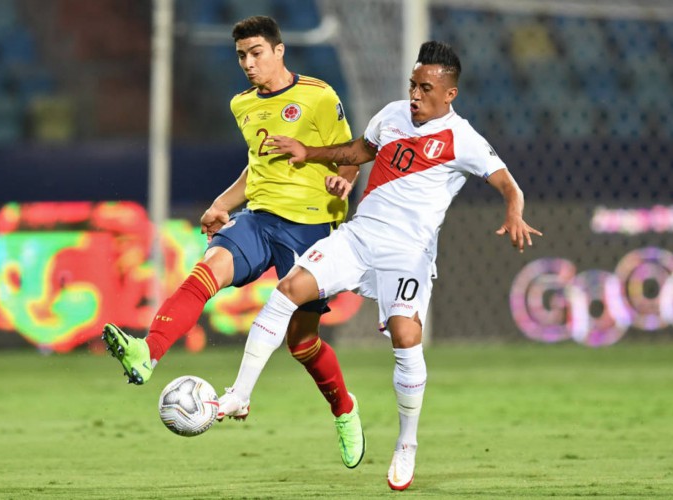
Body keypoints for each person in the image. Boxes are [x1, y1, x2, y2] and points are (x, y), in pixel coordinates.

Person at [216, 41, 542, 490]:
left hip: (407, 252)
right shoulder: (390, 115)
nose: (414, 94)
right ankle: (239, 394)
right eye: (412, 84)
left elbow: (509, 184)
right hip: (360, 235)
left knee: (407, 337)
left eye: (425, 88)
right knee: (290, 290)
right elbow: (357, 152)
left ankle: (406, 444)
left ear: (449, 94)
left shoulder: (462, 138)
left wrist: (514, 211)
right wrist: (308, 152)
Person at [101, 15, 366, 469]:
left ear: (279, 51)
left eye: (256, 53)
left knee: (302, 343)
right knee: (207, 270)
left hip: (310, 228)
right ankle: (148, 351)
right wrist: (221, 204)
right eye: (241, 55)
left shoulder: (319, 96)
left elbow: (350, 152)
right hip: (258, 218)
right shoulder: (242, 104)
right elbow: (255, 167)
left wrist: (344, 181)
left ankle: (344, 409)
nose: (248, 63)